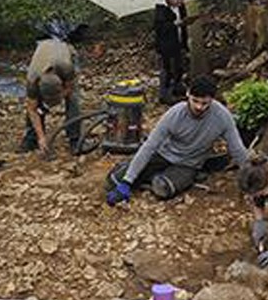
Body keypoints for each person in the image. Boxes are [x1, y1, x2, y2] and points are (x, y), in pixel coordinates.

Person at [106, 75, 247, 204]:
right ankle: (138, 173)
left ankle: (149, 177)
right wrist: (127, 181)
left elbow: (237, 149)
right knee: (114, 180)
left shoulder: (222, 117)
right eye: (195, 101)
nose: (199, 107)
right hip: (164, 155)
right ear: (188, 94)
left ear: (212, 99)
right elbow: (150, 146)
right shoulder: (174, 114)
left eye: (204, 103)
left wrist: (250, 177)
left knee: (162, 189)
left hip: (189, 164)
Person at [21, 37, 84, 156]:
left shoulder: (66, 67)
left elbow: (69, 88)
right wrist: (42, 137)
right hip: (44, 50)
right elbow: (32, 109)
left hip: (64, 51)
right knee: (34, 105)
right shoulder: (32, 81)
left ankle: (75, 139)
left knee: (73, 98)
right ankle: (32, 137)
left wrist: (63, 96)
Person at [154, 0, 190, 103]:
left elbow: (184, 23)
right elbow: (159, 29)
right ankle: (165, 95)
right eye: (178, 1)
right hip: (166, 45)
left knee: (179, 67)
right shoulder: (161, 9)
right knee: (167, 70)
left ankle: (177, 90)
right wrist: (174, 24)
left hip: (179, 42)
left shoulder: (181, 8)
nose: (180, 4)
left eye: (182, 2)